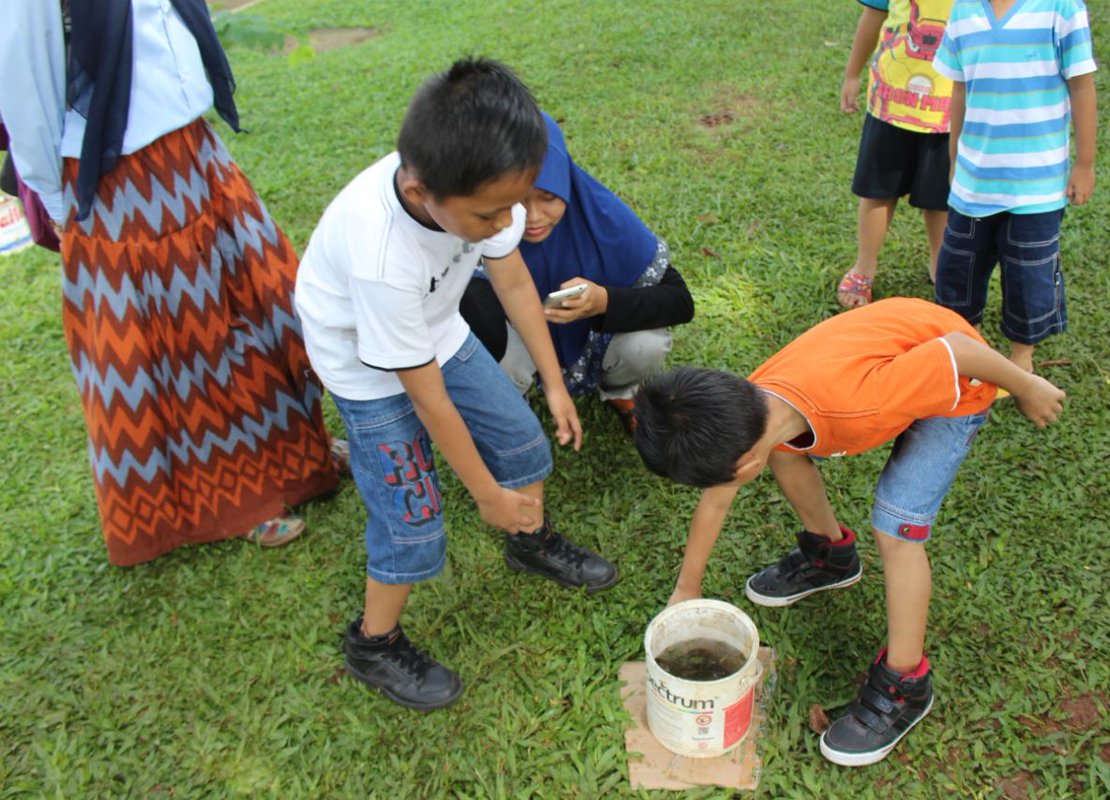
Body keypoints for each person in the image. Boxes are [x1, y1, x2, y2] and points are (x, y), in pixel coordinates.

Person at [295, 58, 619, 711]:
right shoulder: (383, 254)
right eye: (490, 214)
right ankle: (374, 642)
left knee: (525, 446)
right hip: (368, 367)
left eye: (515, 205)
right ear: (419, 193)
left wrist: (554, 384)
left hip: (434, 329)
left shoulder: (483, 196)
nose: (507, 224)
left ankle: (529, 544)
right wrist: (487, 497)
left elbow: (515, 283)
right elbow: (427, 400)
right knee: (412, 523)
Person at [631, 298, 1066, 766]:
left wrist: (1026, 386)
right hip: (901, 347)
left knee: (896, 528)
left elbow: (960, 349)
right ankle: (832, 556)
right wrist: (686, 588)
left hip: (958, 385)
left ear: (743, 466)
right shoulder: (754, 405)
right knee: (784, 448)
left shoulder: (859, 403)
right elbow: (716, 500)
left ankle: (907, 682)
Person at [0, 0, 339, 564]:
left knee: (262, 300)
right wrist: (54, 194)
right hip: (115, 175)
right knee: (187, 342)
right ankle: (236, 499)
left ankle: (303, 457)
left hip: (193, 146)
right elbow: (23, 77)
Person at [459, 112, 693, 432]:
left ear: (565, 183)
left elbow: (679, 301)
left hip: (591, 335)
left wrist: (603, 301)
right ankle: (512, 406)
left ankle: (620, 392)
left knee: (645, 344)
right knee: (487, 354)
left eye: (549, 197)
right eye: (516, 202)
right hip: (516, 341)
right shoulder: (476, 229)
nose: (534, 217)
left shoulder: (602, 216)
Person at [932, 0, 1098, 372]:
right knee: (958, 269)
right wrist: (955, 155)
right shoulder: (964, 11)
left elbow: (1082, 86)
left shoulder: (1061, 8)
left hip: (1036, 186)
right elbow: (960, 90)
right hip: (974, 182)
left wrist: (1085, 164)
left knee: (1030, 276)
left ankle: (1021, 358)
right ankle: (967, 348)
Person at [837, 0, 954, 308]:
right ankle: (864, 267)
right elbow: (872, 16)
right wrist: (852, 73)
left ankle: (940, 263)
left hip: (949, 112)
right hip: (890, 104)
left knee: (940, 199)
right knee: (877, 192)